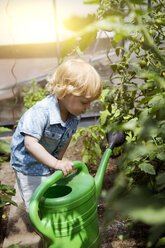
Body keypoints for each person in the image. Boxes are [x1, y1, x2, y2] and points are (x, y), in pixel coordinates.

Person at [10, 58, 102, 210]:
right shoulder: (41, 112)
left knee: (50, 193)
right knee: (35, 201)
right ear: (64, 93)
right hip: (27, 164)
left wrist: (57, 159)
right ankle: (39, 225)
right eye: (84, 102)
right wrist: (56, 164)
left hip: (48, 160)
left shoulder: (74, 116)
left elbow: (67, 137)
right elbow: (30, 143)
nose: (88, 107)